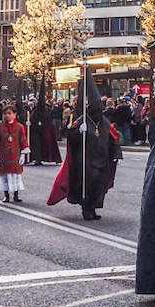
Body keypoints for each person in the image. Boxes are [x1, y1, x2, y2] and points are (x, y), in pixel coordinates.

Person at [48, 66, 121, 221]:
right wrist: (77, 131)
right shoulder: (82, 121)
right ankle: (86, 208)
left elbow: (113, 140)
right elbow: (71, 137)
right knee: (87, 184)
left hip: (102, 160)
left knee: (99, 186)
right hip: (86, 161)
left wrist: (115, 155)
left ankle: (94, 207)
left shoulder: (105, 123)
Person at [0, 103, 29, 203]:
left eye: (9, 113)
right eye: (5, 113)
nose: (7, 115)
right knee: (4, 176)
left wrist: (23, 154)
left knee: (16, 176)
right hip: (3, 156)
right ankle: (6, 195)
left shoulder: (20, 127)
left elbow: (23, 140)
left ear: (14, 114)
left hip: (15, 155)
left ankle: (16, 195)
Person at [30, 98, 62, 165]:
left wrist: (43, 125)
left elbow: (49, 120)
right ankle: (37, 158)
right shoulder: (35, 111)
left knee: (45, 145)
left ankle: (43, 158)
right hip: (36, 131)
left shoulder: (46, 111)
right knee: (37, 145)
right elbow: (32, 119)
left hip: (44, 130)